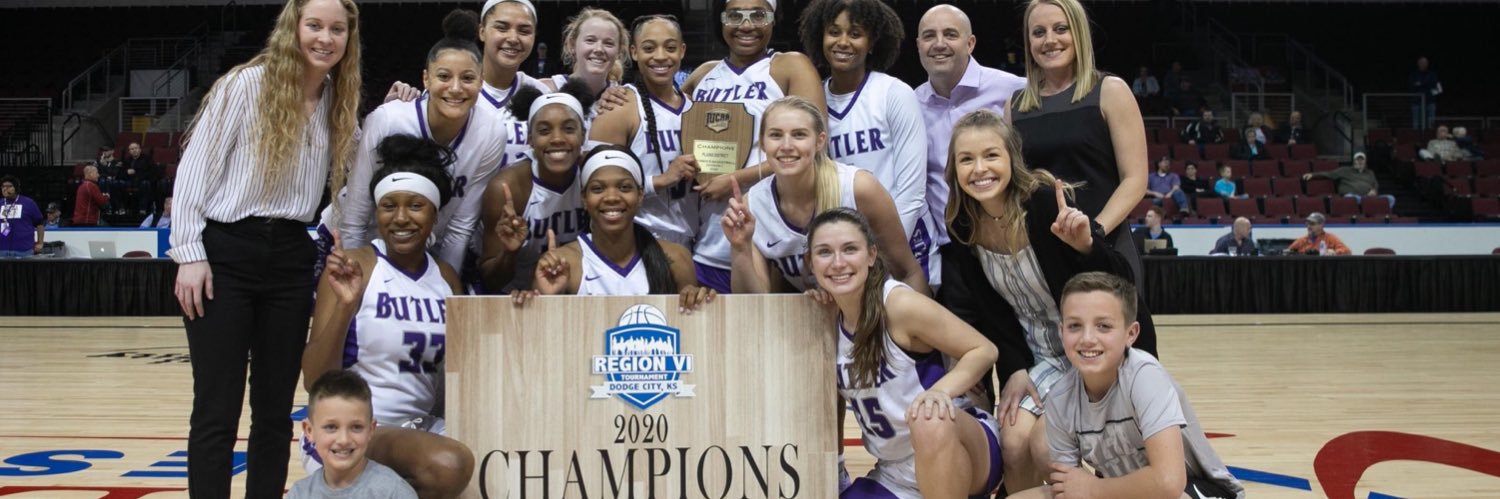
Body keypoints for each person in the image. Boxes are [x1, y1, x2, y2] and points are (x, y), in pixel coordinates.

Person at [168, 0, 362, 494]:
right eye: (314, 25)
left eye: (337, 29)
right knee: (217, 406)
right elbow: (195, 170)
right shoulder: (245, 86)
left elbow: (352, 183)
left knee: (276, 410)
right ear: (292, 29)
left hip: (292, 258)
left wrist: (334, 227)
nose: (325, 38)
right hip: (226, 251)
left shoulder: (340, 101)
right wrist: (190, 253)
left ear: (348, 38)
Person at [933, 110, 1157, 493]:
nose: (979, 168)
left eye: (991, 155)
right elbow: (994, 314)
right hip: (1036, 355)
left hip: (1087, 348)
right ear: (953, 170)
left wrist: (1087, 246)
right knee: (1013, 442)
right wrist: (1016, 367)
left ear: (1011, 159)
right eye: (966, 159)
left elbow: (1120, 285)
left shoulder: (1042, 202)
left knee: (1044, 445)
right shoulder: (963, 223)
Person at [305, 135, 474, 497]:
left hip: (421, 428)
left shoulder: (446, 278)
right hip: (358, 427)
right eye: (388, 206)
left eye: (415, 206)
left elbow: (452, 378)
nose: (401, 218)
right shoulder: (358, 267)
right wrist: (346, 307)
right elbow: (314, 378)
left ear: (434, 213)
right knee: (448, 464)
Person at [805, 208, 1000, 499]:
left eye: (850, 249)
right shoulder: (825, 319)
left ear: (871, 255)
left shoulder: (899, 305)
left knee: (928, 419)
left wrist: (941, 392)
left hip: (958, 445)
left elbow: (983, 349)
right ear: (810, 263)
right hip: (895, 472)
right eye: (824, 252)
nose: (838, 262)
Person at [1007, 272, 1244, 499]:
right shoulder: (1060, 398)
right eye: (1074, 326)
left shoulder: (1145, 377)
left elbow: (1168, 482)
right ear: (1061, 332)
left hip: (1196, 488)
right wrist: (1088, 490)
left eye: (1104, 326)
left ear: (1131, 334)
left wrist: (1093, 490)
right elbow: (1070, 487)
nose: (1087, 338)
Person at [329, 9, 507, 274]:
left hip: (422, 251)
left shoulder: (491, 132)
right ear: (426, 78)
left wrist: (446, 288)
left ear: (481, 82)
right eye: (444, 76)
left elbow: (460, 227)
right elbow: (355, 217)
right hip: (357, 241)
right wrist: (358, 280)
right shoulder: (387, 121)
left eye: (468, 78)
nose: (456, 88)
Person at [680, 0, 825, 294]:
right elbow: (657, 114)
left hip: (771, 243)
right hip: (708, 239)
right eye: (735, 15)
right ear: (721, 21)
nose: (746, 25)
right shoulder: (704, 74)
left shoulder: (790, 65)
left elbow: (814, 150)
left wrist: (735, 180)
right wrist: (619, 91)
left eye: (758, 15)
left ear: (774, 20)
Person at [721, 96, 929, 295]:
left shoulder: (858, 188)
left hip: (876, 312)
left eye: (799, 135)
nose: (786, 146)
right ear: (763, 143)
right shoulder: (752, 206)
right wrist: (740, 248)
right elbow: (755, 301)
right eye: (776, 135)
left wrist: (911, 329)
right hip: (815, 316)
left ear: (820, 141)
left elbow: (908, 273)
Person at [1008, 0, 1150, 291]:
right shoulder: (1014, 106)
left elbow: (1135, 180)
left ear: (1079, 33)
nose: (1050, 40)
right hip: (1042, 255)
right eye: (1038, 32)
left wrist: (1093, 233)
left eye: (1061, 29)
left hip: (1106, 244)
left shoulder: (1110, 91)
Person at [800, 0, 933, 285]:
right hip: (845, 255)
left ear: (872, 43)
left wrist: (881, 254)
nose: (843, 42)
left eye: (855, 33)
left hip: (903, 245)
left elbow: (911, 192)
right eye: (834, 32)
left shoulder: (894, 93)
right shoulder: (813, 102)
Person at [516, 146, 715, 310]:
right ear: (584, 199)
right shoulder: (562, 263)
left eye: (624, 188)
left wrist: (698, 300)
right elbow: (540, 342)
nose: (611, 197)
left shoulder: (676, 258)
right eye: (598, 189)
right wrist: (543, 301)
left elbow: (690, 334)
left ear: (640, 196)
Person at [914, 4, 1027, 291]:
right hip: (952, 254)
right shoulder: (908, 104)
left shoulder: (1015, 90)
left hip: (1013, 246)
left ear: (970, 43)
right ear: (918, 45)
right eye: (929, 36)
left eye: (950, 34)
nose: (939, 44)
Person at [588, 14, 699, 247]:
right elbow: (596, 184)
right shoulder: (619, 106)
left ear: (682, 51)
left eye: (670, 47)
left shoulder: (695, 109)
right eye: (649, 48)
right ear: (634, 52)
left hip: (692, 239)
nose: (660, 56)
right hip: (636, 239)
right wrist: (661, 180)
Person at [478, 80, 597, 292]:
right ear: (530, 140)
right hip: (519, 299)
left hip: (580, 296)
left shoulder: (596, 175)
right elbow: (489, 280)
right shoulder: (508, 189)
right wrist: (509, 252)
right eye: (544, 131)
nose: (557, 138)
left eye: (569, 129)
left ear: (583, 136)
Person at [288, 370, 420, 499]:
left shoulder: (394, 492)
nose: (344, 439)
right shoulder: (299, 493)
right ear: (309, 431)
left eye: (356, 427)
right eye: (331, 427)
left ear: (371, 430)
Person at [543, 8, 628, 104]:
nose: (599, 49)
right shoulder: (544, 89)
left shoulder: (625, 98)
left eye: (608, 43)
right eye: (590, 40)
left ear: (619, 51)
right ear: (572, 45)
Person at [1303, 151, 1396, 209]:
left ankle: (1382, 212)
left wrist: (1374, 191)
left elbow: (1375, 184)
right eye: (1357, 160)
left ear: (1365, 161)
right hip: (1354, 197)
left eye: (1362, 160)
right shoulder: (1345, 170)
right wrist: (1313, 175)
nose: (1360, 162)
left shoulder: (1370, 172)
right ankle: (1365, 208)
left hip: (1369, 197)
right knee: (1350, 197)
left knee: (1391, 198)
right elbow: (1329, 174)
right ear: (1354, 161)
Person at [0, 176, 45, 257]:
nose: (5, 189)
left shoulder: (29, 203)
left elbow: (40, 223)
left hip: (24, 250)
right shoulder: (0, 203)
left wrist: (40, 242)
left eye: (9, 186)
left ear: (16, 188)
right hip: (2, 250)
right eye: (3, 186)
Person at [1409, 56, 1440, 129]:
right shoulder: (1413, 74)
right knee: (1416, 123)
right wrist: (1427, 84)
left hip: (1430, 102)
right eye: (1421, 63)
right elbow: (1411, 87)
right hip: (1416, 102)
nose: (1423, 64)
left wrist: (1421, 84)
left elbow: (1438, 89)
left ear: (1427, 64)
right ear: (1418, 64)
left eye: (1425, 63)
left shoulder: (1433, 74)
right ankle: (1416, 138)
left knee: (1431, 123)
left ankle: (1430, 137)